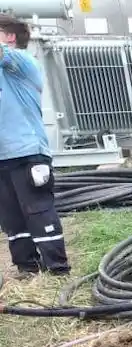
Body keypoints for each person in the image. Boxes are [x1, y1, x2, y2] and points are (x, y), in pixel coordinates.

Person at [0, 14, 70, 278]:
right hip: (3, 155)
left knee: (37, 210)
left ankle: (57, 268)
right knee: (10, 216)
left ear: (10, 37)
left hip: (27, 152)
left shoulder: (21, 61)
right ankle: (27, 267)